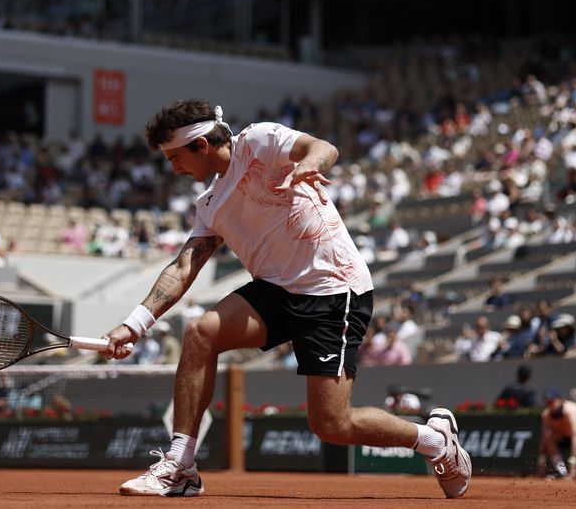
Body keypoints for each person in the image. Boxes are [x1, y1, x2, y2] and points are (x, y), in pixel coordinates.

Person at [100, 99, 470, 498]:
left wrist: (310, 163)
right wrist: (135, 324)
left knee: (331, 424)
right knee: (199, 332)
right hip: (276, 290)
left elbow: (324, 147)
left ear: (202, 146)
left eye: (176, 157)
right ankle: (180, 465)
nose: (174, 168)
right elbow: (184, 266)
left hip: (332, 288)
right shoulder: (209, 204)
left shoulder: (259, 141)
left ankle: (434, 441)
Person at [538, 388, 576, 480]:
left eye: (552, 401)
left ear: (560, 400)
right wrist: (541, 459)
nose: (550, 403)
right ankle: (561, 471)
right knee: (548, 438)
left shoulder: (571, 411)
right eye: (547, 401)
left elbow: (575, 437)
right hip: (568, 436)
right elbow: (545, 437)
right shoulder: (546, 414)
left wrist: (573, 467)